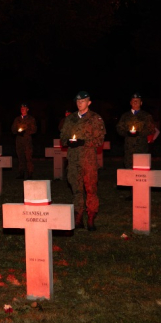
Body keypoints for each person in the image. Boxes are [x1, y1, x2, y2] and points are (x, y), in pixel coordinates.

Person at [60, 91, 106, 232]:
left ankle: (91, 217)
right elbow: (62, 137)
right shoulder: (70, 119)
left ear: (89, 102)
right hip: (73, 160)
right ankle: (78, 216)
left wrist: (83, 142)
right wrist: (69, 142)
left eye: (83, 101)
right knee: (76, 189)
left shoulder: (95, 119)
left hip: (88, 160)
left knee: (91, 189)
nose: (80, 103)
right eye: (78, 101)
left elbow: (99, 141)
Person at [116, 93, 155, 169]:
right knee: (128, 167)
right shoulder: (125, 116)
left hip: (141, 147)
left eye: (137, 101)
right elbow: (119, 128)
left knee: (141, 167)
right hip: (129, 147)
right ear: (130, 103)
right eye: (133, 101)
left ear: (141, 103)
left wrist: (139, 133)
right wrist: (127, 133)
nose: (135, 102)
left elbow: (151, 129)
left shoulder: (146, 116)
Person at [11, 103, 37, 179]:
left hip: (27, 141)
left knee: (28, 158)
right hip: (19, 141)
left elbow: (34, 129)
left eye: (24, 108)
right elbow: (13, 129)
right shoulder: (17, 119)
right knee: (20, 157)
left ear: (27, 109)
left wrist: (25, 131)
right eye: (21, 108)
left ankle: (30, 174)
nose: (22, 109)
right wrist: (17, 131)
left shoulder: (31, 119)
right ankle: (21, 173)